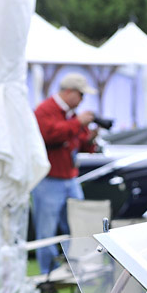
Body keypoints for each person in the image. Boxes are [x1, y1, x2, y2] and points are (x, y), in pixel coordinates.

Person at [32, 73, 99, 274]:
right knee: (47, 232)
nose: (82, 100)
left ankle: (77, 271)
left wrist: (90, 139)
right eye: (81, 95)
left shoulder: (69, 114)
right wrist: (77, 123)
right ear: (69, 92)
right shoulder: (45, 110)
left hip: (69, 178)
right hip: (48, 180)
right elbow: (48, 135)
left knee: (80, 227)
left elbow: (74, 143)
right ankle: (49, 275)